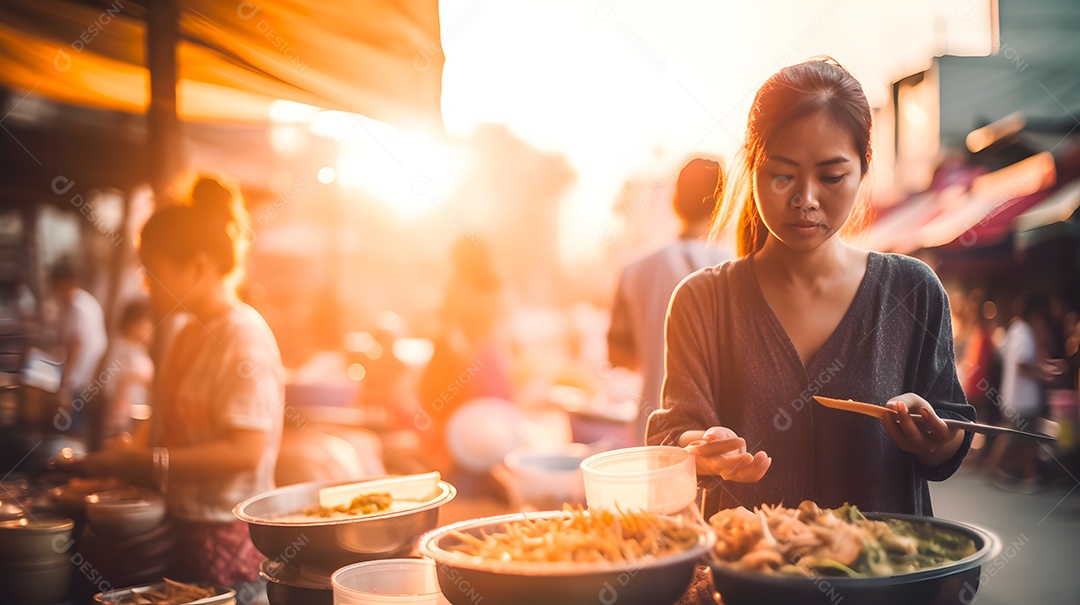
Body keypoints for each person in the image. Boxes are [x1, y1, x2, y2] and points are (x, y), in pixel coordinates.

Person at [647, 59, 976, 519]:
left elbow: (950, 438)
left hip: (887, 581)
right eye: (783, 174)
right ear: (752, 168)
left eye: (831, 176)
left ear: (863, 170)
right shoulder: (702, 301)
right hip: (745, 582)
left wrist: (938, 439)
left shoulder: (912, 289)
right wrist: (697, 452)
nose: (806, 199)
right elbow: (674, 433)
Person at [72, 175, 284, 589]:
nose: (144, 283)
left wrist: (141, 463)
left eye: (153, 269)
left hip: (226, 536)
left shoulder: (243, 337)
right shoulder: (187, 333)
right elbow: (163, 417)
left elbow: (244, 452)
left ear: (201, 265)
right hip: (177, 528)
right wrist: (128, 454)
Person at [608, 158, 732, 443]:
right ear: (724, 201)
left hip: (652, 431)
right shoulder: (735, 268)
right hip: (716, 438)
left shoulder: (634, 269)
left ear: (675, 199)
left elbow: (618, 355)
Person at [50, 260, 108, 436]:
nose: (57, 292)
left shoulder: (77, 306)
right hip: (90, 380)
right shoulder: (87, 302)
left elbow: (77, 345)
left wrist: (65, 387)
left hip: (79, 383)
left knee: (67, 433)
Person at [99, 298, 155, 442]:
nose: (151, 328)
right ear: (132, 324)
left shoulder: (138, 350)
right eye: (148, 323)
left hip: (135, 421)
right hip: (120, 423)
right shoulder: (119, 351)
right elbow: (109, 386)